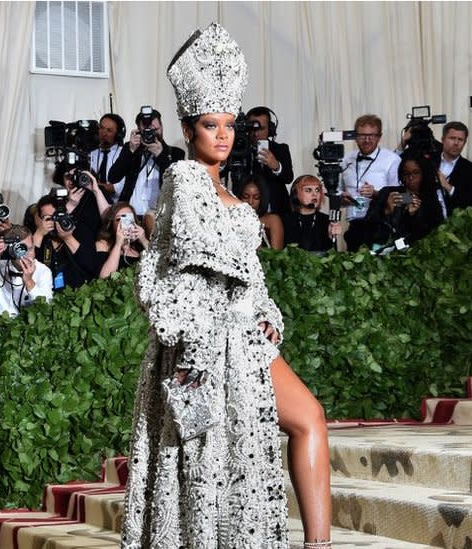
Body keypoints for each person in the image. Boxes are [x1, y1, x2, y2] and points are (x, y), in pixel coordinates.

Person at [121, 23, 331, 549]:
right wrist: (198, 345)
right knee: (221, 458)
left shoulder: (225, 187)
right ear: (190, 129)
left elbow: (248, 273)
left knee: (305, 421)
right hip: (207, 346)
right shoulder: (186, 179)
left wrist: (263, 312)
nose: (223, 134)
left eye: (230, 125)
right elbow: (183, 265)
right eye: (211, 125)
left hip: (243, 338)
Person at [107, 107, 185, 220]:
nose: (150, 134)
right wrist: (130, 151)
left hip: (159, 218)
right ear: (138, 130)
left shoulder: (176, 153)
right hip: (130, 216)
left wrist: (161, 155)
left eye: (154, 130)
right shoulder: (131, 149)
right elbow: (113, 177)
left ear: (161, 127)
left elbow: (177, 184)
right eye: (146, 131)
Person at [0, 225, 53, 325]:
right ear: (10, 250)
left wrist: (30, 283)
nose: (28, 256)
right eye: (22, 250)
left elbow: (46, 310)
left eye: (30, 249)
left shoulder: (43, 271)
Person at [359, 152, 445, 250]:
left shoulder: (429, 200)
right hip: (382, 251)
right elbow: (367, 230)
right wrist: (387, 212)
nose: (411, 177)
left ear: (423, 173)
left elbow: (430, 234)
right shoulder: (387, 193)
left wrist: (411, 216)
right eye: (406, 174)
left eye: (416, 172)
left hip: (415, 254)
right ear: (401, 175)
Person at [340, 115, 401, 226]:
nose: (367, 140)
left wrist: (377, 194)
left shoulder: (392, 160)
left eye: (371, 136)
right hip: (353, 224)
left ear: (379, 137)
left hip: (382, 223)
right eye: (362, 136)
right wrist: (342, 199)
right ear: (355, 136)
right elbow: (337, 192)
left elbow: (401, 197)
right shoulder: (346, 159)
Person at [245, 106, 294, 214]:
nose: (256, 134)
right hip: (246, 211)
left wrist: (276, 166)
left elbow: (289, 177)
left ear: (270, 129)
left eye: (261, 128)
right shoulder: (239, 150)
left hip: (277, 210)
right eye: (253, 128)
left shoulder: (281, 149)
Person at [283, 175, 338, 253]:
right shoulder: (286, 220)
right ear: (296, 194)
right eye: (308, 190)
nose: (314, 194)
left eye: (317, 190)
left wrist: (331, 235)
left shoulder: (327, 220)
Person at [436, 122, 472, 217]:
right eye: (452, 138)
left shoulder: (471, 169)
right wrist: (408, 202)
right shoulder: (429, 161)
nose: (456, 143)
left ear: (464, 143)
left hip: (454, 225)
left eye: (460, 140)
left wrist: (448, 187)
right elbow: (409, 188)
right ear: (443, 139)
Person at [95, 202, 148, 278]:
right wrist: (118, 244)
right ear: (111, 223)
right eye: (119, 219)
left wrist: (144, 240)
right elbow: (104, 277)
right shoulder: (103, 245)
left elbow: (161, 264)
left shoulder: (139, 246)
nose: (124, 223)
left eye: (129, 218)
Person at [234, 174, 285, 249]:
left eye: (256, 197)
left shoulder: (272, 220)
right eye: (246, 197)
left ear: (263, 198)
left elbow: (277, 255)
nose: (250, 202)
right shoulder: (233, 220)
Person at [89, 113, 127, 201]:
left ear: (118, 135)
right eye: (101, 128)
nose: (103, 133)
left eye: (109, 130)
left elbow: (119, 187)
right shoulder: (91, 154)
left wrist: (93, 186)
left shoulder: (124, 154)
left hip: (117, 205)